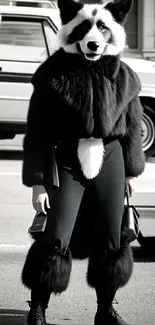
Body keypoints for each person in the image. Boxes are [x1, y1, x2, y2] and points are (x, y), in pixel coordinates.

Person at [21, 0, 145, 324]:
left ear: (113, 30)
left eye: (102, 27)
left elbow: (132, 126)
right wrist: (38, 180)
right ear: (70, 30)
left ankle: (106, 308)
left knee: (110, 237)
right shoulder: (52, 74)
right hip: (66, 156)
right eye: (85, 28)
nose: (93, 37)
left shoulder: (125, 76)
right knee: (55, 235)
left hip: (112, 155)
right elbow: (37, 131)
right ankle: (38, 307)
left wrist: (130, 172)